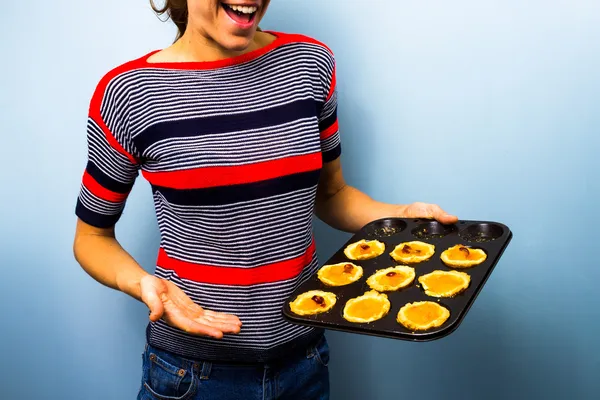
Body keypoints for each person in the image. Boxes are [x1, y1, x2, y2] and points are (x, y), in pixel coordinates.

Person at [73, 1, 458, 399]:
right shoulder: (128, 94)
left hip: (304, 364)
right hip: (192, 376)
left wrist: (401, 215)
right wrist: (143, 284)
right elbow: (91, 238)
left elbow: (333, 195)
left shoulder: (311, 63)